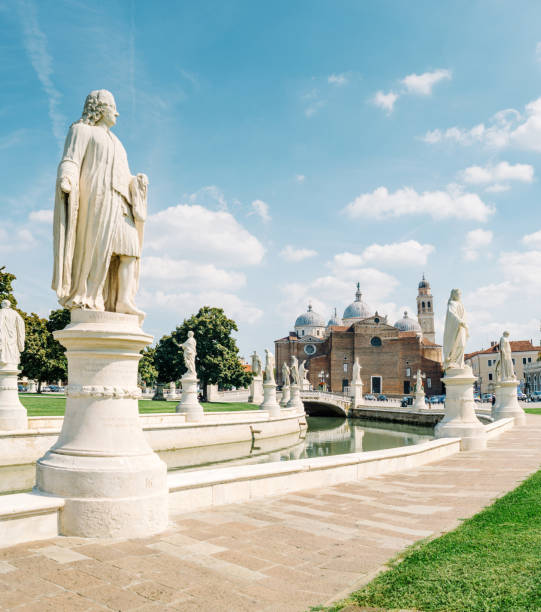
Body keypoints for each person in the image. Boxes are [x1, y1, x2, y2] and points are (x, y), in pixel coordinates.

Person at [52, 90, 148, 316]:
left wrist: (137, 183)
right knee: (96, 249)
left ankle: (123, 300)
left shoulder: (118, 142)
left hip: (122, 200)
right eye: (113, 107)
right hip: (97, 197)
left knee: (130, 249)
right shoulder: (81, 130)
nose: (117, 113)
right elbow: (70, 159)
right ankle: (89, 296)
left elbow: (124, 174)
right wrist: (66, 178)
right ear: (99, 108)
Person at [443, 289, 469, 370]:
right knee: (458, 345)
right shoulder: (452, 303)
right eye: (458, 294)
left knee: (463, 345)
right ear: (454, 294)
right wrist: (459, 321)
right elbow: (452, 314)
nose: (459, 295)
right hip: (456, 327)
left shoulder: (460, 304)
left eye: (460, 294)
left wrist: (464, 324)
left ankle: (460, 364)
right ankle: (454, 362)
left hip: (462, 328)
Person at [0, 300, 25, 366]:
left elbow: (0, 323)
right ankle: (12, 361)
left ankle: (5, 360)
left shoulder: (2, 312)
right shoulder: (15, 313)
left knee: (6, 348)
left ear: (4, 304)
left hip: (5, 335)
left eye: (2, 303)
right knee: (12, 349)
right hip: (13, 335)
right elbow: (21, 323)